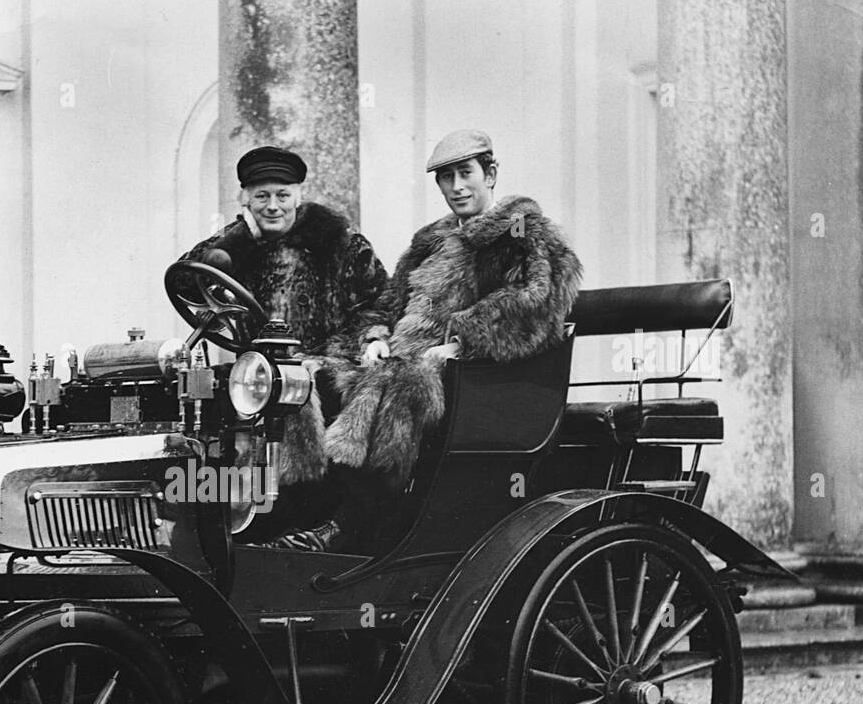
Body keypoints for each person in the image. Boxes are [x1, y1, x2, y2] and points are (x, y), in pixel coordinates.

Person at [262, 129, 584, 552]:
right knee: (305, 379)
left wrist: (461, 343)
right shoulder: (429, 241)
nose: (456, 187)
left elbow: (537, 304)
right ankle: (300, 512)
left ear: (490, 174)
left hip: (479, 378)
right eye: (446, 178)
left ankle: (351, 528)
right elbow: (386, 304)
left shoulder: (523, 232)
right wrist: (375, 338)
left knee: (401, 385)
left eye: (465, 173)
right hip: (407, 358)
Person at [179, 146, 388, 489]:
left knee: (292, 393)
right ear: (244, 199)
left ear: (298, 196)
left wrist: (372, 337)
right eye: (261, 196)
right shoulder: (234, 246)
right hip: (254, 371)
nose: (272, 206)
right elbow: (189, 280)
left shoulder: (341, 243)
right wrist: (241, 240)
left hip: (327, 365)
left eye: (282, 195)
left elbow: (377, 300)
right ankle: (222, 500)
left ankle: (296, 499)